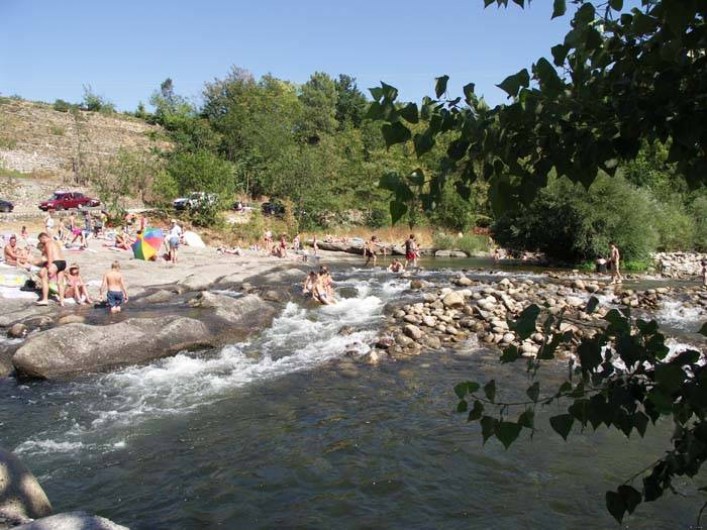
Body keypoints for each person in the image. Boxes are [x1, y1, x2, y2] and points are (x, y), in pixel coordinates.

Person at [36, 232, 67, 306]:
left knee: (44, 278)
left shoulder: (48, 243)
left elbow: (50, 255)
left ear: (43, 237)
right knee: (60, 282)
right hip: (63, 262)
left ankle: (45, 299)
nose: (41, 242)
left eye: (40, 240)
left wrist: (49, 266)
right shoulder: (55, 242)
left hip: (55, 262)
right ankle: (62, 301)